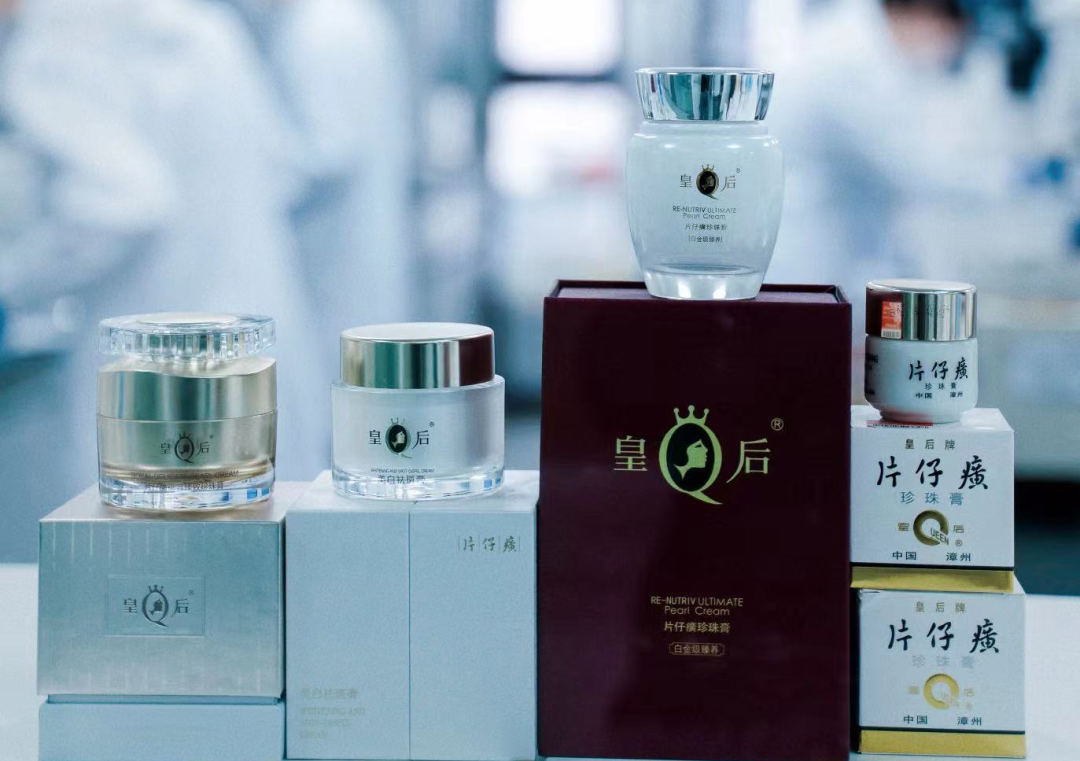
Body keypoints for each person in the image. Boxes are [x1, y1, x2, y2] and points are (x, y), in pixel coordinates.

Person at [0, 0, 324, 558]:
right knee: (259, 566)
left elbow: (121, 203)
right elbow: (276, 169)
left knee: (150, 571)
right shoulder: (199, 25)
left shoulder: (54, 41)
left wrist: (12, 281)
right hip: (250, 340)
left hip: (158, 374)